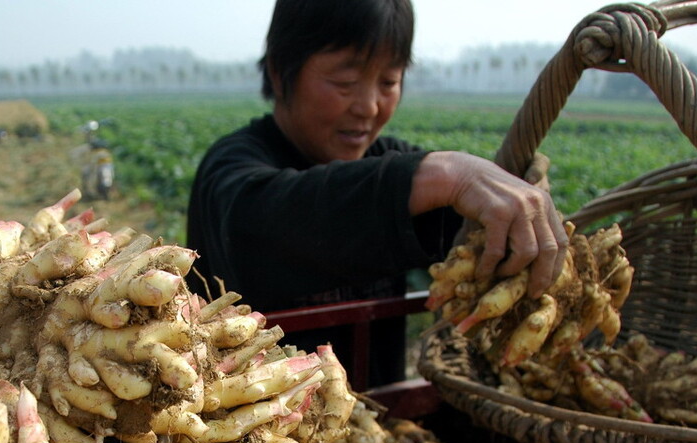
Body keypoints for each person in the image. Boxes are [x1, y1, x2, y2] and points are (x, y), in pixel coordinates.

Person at [185, 0, 567, 384]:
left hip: (383, 427)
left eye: (388, 82)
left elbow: (474, 231)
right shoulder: (231, 168)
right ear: (280, 73)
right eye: (344, 83)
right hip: (250, 437)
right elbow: (263, 218)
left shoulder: (396, 165)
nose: (369, 107)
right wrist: (445, 176)